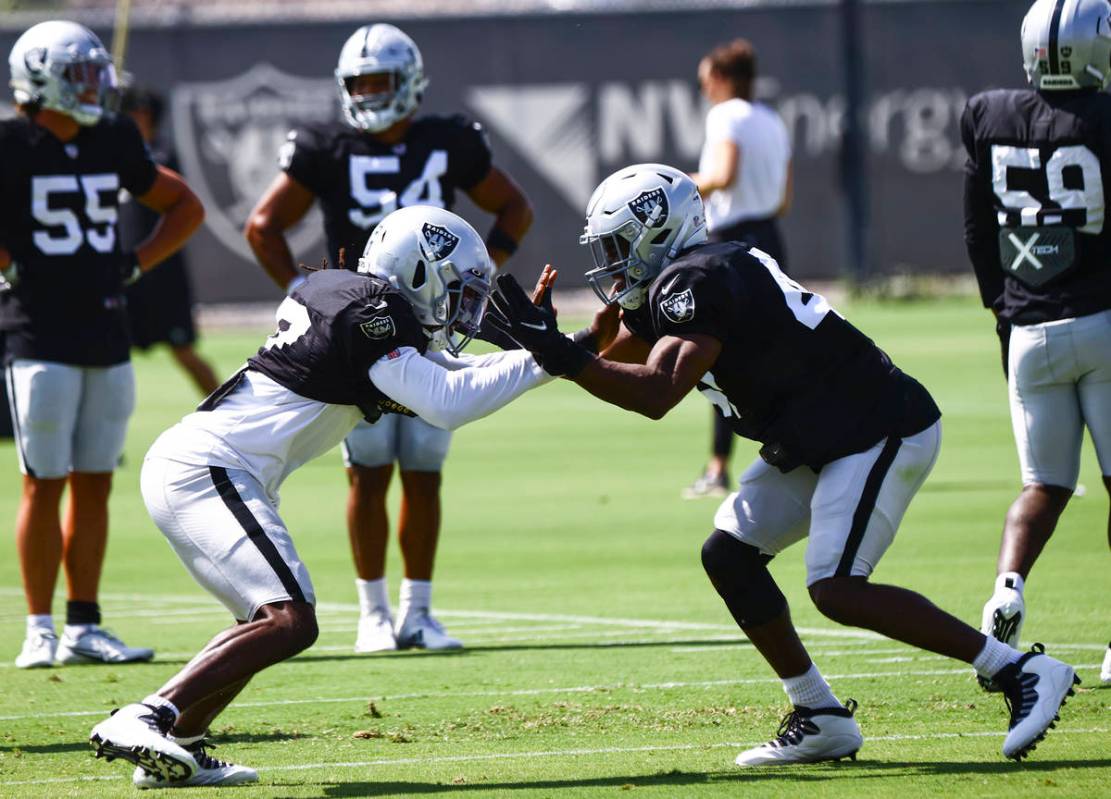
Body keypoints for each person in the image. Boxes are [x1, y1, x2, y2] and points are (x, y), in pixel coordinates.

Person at [486, 162, 1079, 764]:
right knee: (730, 555)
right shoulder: (683, 277)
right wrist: (540, 344)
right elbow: (607, 356)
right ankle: (819, 713)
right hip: (814, 437)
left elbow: (655, 391)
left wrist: (561, 353)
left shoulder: (697, 278)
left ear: (657, 232)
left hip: (875, 428)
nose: (611, 261)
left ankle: (1017, 670)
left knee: (837, 588)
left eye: (618, 245)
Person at [89, 206, 551, 787]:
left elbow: (452, 373)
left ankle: (179, 745)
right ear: (414, 274)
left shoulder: (352, 300)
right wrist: (549, 357)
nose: (461, 307)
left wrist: (559, 351)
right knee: (291, 620)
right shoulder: (371, 314)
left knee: (257, 622)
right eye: (456, 291)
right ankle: (148, 715)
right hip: (208, 469)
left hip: (199, 467)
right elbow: (447, 402)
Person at [245, 23, 532, 653]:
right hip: (361, 329)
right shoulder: (325, 143)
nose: (371, 95)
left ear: (410, 83)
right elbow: (263, 226)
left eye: (382, 82)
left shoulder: (448, 138)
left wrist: (483, 273)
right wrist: (310, 293)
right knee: (369, 470)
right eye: (361, 84)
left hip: (431, 322)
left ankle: (418, 612)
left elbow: (514, 208)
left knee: (424, 469)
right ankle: (372, 612)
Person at [0, 21, 204, 669]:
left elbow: (184, 206)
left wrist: (137, 262)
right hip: (34, 329)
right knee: (43, 481)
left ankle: (83, 623)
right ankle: (39, 627)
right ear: (39, 78)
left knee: (93, 484)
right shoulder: (7, 142)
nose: (95, 87)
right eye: (81, 75)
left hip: (105, 326)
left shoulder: (112, 138)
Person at [962, 0, 1111, 689]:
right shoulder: (1102, 120)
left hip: (1028, 328)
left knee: (1041, 486)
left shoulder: (988, 115)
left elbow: (975, 231)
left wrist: (1002, 307)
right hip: (1104, 321)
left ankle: (1006, 589)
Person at [684, 38, 792, 500]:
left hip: (730, 241)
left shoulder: (725, 116)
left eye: (708, 81)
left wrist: (681, 188)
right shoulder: (771, 119)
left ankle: (717, 468)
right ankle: (793, 447)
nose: (705, 90)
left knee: (719, 353)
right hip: (770, 237)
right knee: (776, 346)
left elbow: (723, 175)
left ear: (724, 79)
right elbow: (784, 199)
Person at [120, 86, 219, 397]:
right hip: (124, 273)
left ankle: (227, 413)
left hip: (163, 277)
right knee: (108, 358)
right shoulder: (111, 154)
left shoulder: (162, 155)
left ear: (146, 115)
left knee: (184, 353)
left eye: (132, 113)